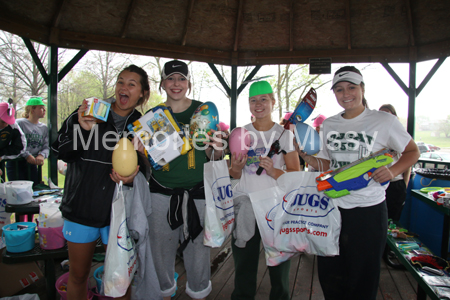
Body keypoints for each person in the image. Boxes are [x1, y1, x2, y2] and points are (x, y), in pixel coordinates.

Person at [300, 66, 419, 300]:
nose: (346, 94)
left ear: (362, 88)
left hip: (369, 212)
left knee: (363, 278)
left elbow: (412, 152)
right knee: (330, 274)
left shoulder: (384, 120)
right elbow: (328, 164)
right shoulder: (330, 124)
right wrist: (308, 158)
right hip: (332, 209)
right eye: (339, 89)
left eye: (352, 88)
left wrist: (393, 171)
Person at [51, 64, 150, 300]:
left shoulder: (145, 125)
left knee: (120, 278)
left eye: (131, 84)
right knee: (78, 275)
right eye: (120, 81)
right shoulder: (91, 111)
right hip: (82, 207)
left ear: (142, 94)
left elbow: (149, 170)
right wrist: (82, 128)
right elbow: (61, 151)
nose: (123, 88)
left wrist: (134, 175)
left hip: (119, 214)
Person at [137, 60, 223, 300]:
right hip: (161, 194)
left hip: (197, 194)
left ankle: (198, 293)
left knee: (198, 254)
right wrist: (142, 153)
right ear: (163, 83)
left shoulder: (203, 110)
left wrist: (216, 148)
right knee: (160, 253)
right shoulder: (152, 116)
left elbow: (212, 157)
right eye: (171, 78)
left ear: (189, 84)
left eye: (181, 79)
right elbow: (149, 165)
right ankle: (164, 293)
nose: (176, 84)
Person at [229, 80, 300, 300]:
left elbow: (295, 175)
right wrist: (236, 168)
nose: (258, 104)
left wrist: (274, 171)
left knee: (279, 267)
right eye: (253, 100)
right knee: (244, 266)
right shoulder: (239, 133)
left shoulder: (284, 135)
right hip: (245, 205)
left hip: (275, 208)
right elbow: (233, 175)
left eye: (263, 99)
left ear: (273, 102)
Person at [379, 104, 412, 221]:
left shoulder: (400, 136)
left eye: (387, 113)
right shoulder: (376, 136)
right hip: (379, 183)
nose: (384, 116)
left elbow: (409, 161)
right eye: (381, 113)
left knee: (393, 218)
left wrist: (405, 183)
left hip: (396, 182)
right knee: (379, 218)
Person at [7, 97, 49, 187]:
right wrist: (26, 155)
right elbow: (13, 143)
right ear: (32, 110)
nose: (44, 110)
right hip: (16, 163)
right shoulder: (19, 123)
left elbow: (46, 146)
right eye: (41, 107)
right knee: (17, 191)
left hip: (32, 164)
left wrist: (42, 155)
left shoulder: (44, 128)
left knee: (33, 189)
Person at [0, 101, 26, 177]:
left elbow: (20, 146)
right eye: (2, 122)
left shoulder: (13, 126)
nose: (6, 125)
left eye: (8, 122)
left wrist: (2, 155)